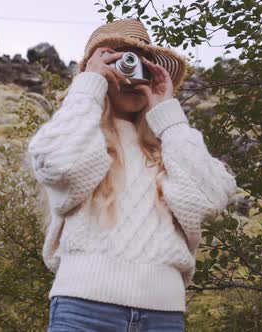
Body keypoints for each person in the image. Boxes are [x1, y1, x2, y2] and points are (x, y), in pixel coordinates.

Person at [26, 18, 238, 332]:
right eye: (119, 62)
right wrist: (89, 86)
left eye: (144, 66)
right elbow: (61, 165)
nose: (132, 74)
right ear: (97, 71)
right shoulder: (83, 135)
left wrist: (166, 110)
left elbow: (210, 200)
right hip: (84, 310)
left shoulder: (173, 142)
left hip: (163, 317)